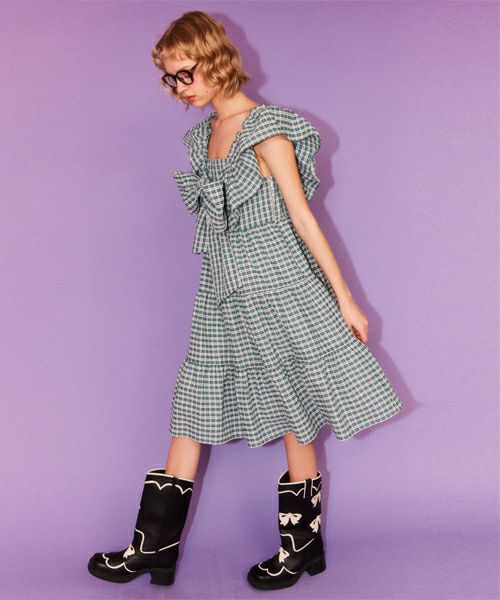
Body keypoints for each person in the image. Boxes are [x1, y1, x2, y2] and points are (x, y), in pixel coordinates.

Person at [87, 10, 403, 592]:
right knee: (192, 405)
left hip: (279, 286)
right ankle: (151, 549)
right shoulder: (203, 136)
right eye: (171, 78)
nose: (180, 87)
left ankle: (300, 549)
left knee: (293, 410)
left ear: (215, 60)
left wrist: (345, 298)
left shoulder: (268, 129)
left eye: (186, 73)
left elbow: (303, 219)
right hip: (221, 291)